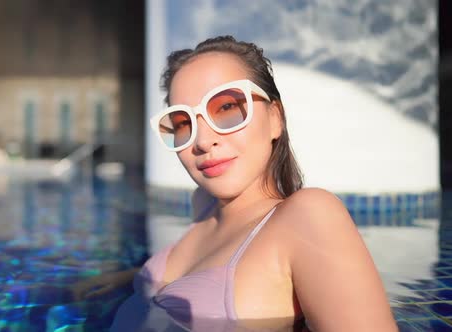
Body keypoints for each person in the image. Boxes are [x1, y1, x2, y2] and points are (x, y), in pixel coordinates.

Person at [107, 36, 398, 331]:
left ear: (275, 118)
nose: (203, 140)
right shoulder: (205, 206)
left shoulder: (309, 216)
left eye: (227, 107)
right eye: (182, 123)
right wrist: (121, 278)